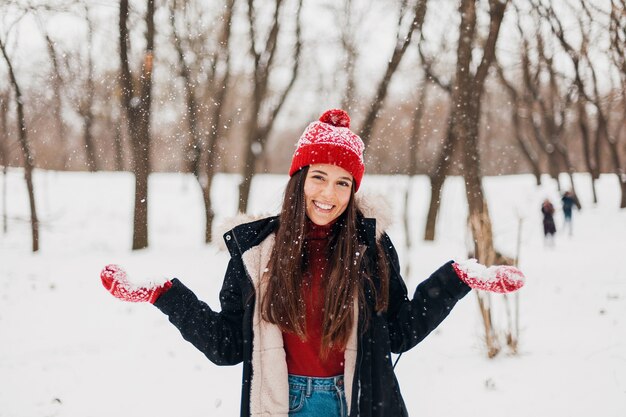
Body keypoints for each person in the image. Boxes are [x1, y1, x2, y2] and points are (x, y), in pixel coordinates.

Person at [100, 109, 525, 417]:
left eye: (343, 183)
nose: (330, 193)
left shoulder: (370, 247)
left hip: (359, 400)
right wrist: (165, 294)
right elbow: (227, 345)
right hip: (285, 404)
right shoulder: (256, 252)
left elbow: (398, 332)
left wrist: (456, 280)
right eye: (319, 176)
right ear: (298, 179)